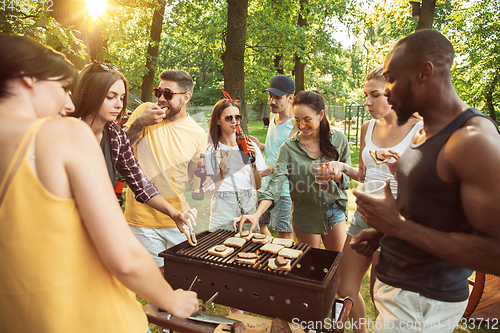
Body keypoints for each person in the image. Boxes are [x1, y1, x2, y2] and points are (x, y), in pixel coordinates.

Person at [0, 34, 198, 333]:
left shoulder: (110, 135)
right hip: (86, 313)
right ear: (28, 79)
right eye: (63, 88)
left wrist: (172, 212)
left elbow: (138, 180)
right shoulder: (65, 133)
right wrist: (171, 299)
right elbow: (124, 259)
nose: (68, 103)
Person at [352, 29, 500, 333]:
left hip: (423, 303)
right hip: (400, 293)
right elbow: (436, 212)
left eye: (392, 78)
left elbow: (495, 252)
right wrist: (383, 234)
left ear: (425, 72)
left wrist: (397, 227)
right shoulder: (422, 131)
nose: (387, 90)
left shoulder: (472, 140)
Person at [327, 65, 422, 333]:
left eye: (375, 95)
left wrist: (402, 172)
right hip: (362, 218)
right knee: (343, 287)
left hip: (397, 223)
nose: (367, 102)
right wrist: (342, 168)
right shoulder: (368, 127)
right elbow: (363, 174)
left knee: (381, 296)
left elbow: (428, 190)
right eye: (366, 95)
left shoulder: (421, 129)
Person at [70, 62, 197, 235]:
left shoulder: (115, 135)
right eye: (110, 97)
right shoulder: (67, 131)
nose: (119, 105)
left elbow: (140, 183)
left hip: (98, 225)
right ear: (91, 94)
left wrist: (174, 213)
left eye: (121, 98)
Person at [234, 90, 350, 251]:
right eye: (297, 120)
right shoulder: (288, 148)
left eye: (307, 120)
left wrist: (334, 174)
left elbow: (347, 182)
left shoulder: (338, 139)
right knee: (310, 267)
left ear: (321, 114)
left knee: (338, 265)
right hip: (305, 213)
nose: (301, 126)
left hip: (334, 210)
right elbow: (274, 187)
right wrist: (257, 214)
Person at [123, 70, 207, 273]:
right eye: (158, 92)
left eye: (168, 94)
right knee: (158, 284)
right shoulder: (145, 111)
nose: (161, 99)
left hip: (179, 217)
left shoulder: (198, 134)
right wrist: (141, 123)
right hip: (142, 218)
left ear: (186, 98)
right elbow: (120, 148)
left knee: (184, 282)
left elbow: (195, 181)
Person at [204, 91, 267, 232]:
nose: (234, 121)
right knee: (219, 248)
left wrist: (253, 162)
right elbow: (208, 192)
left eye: (237, 117)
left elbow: (257, 185)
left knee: (250, 249)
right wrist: (222, 173)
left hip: (248, 203)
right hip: (222, 206)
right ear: (217, 121)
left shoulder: (250, 145)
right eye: (228, 117)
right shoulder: (211, 150)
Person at [249, 75, 298, 239]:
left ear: (290, 98)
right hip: (264, 187)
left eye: (277, 97)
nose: (272, 101)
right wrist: (260, 146)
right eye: (270, 96)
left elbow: (295, 164)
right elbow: (275, 148)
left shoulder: (296, 125)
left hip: (284, 190)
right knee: (260, 228)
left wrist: (272, 169)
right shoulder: (272, 117)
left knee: (284, 235)